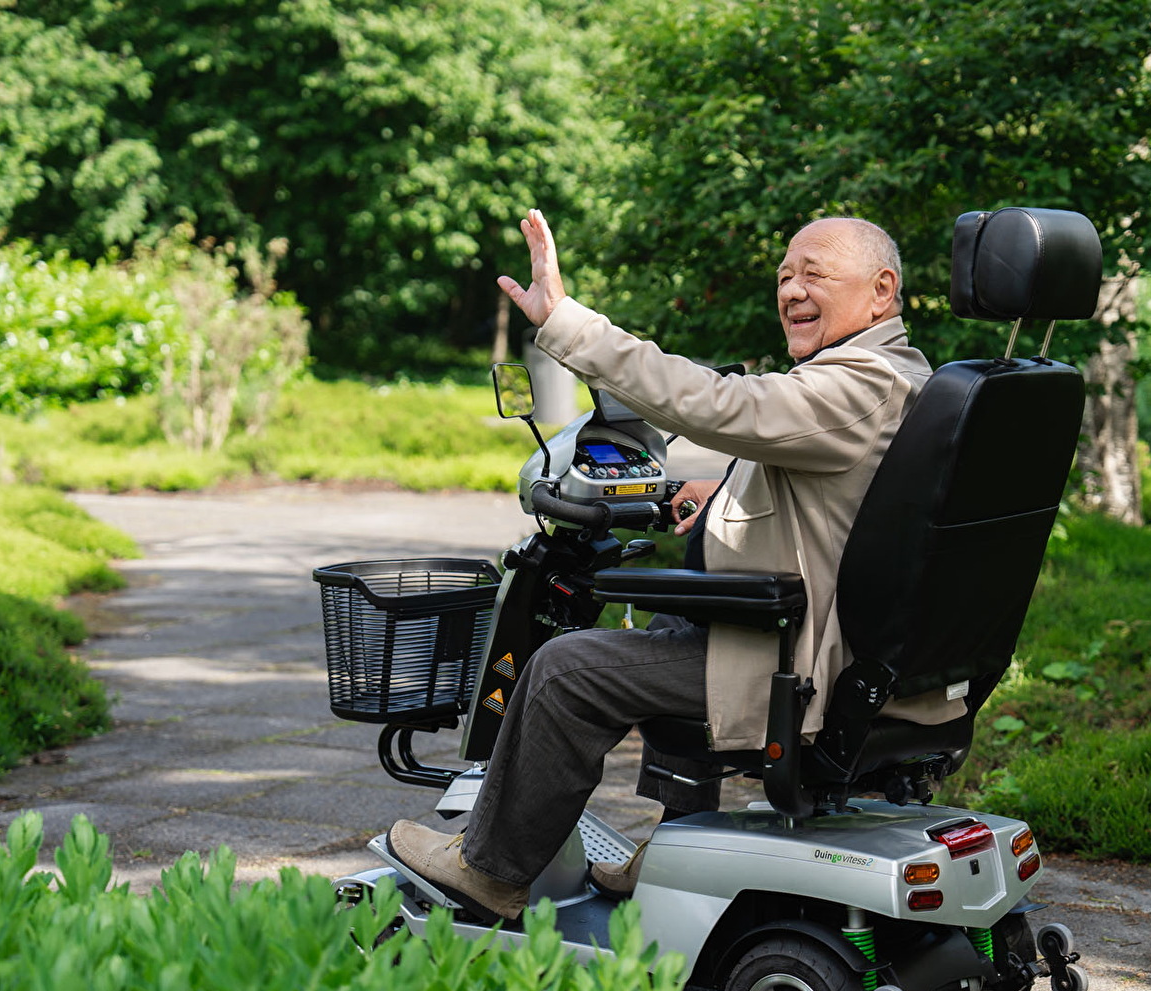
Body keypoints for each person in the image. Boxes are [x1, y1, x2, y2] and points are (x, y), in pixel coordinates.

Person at [386, 209, 967, 923]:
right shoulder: (914, 378)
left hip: (807, 669)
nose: (791, 289)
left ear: (882, 292)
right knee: (674, 620)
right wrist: (724, 491)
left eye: (814, 273)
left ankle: (491, 870)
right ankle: (672, 853)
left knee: (569, 668)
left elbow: (717, 404)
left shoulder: (859, 383)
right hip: (862, 653)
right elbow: (838, 494)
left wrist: (567, 323)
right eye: (784, 275)